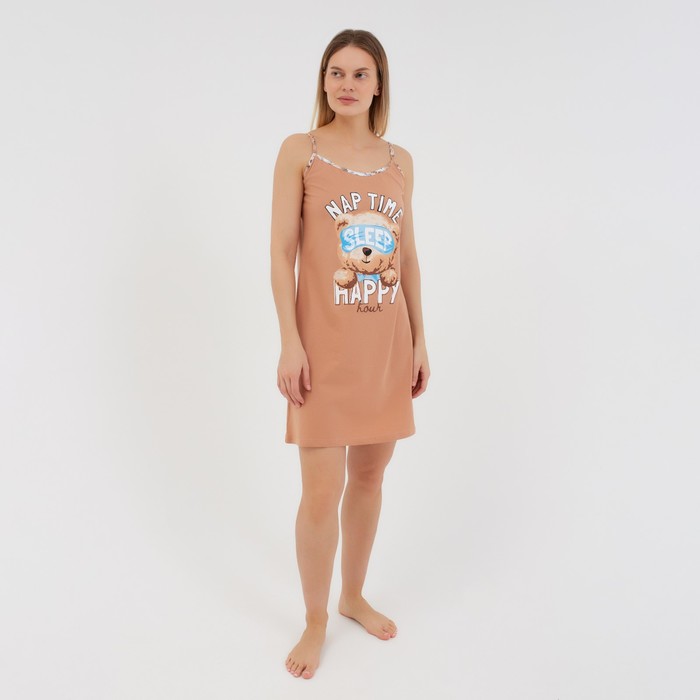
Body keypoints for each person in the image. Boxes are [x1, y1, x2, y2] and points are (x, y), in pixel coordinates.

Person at [269, 28, 430, 680]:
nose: (346, 84)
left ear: (379, 83)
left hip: (385, 348)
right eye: (336, 72)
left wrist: (420, 338)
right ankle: (315, 619)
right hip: (321, 352)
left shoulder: (399, 161)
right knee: (319, 493)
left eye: (360, 73)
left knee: (369, 478)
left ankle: (352, 595)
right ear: (323, 80)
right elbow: (281, 252)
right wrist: (289, 340)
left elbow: (407, 255)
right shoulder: (300, 151)